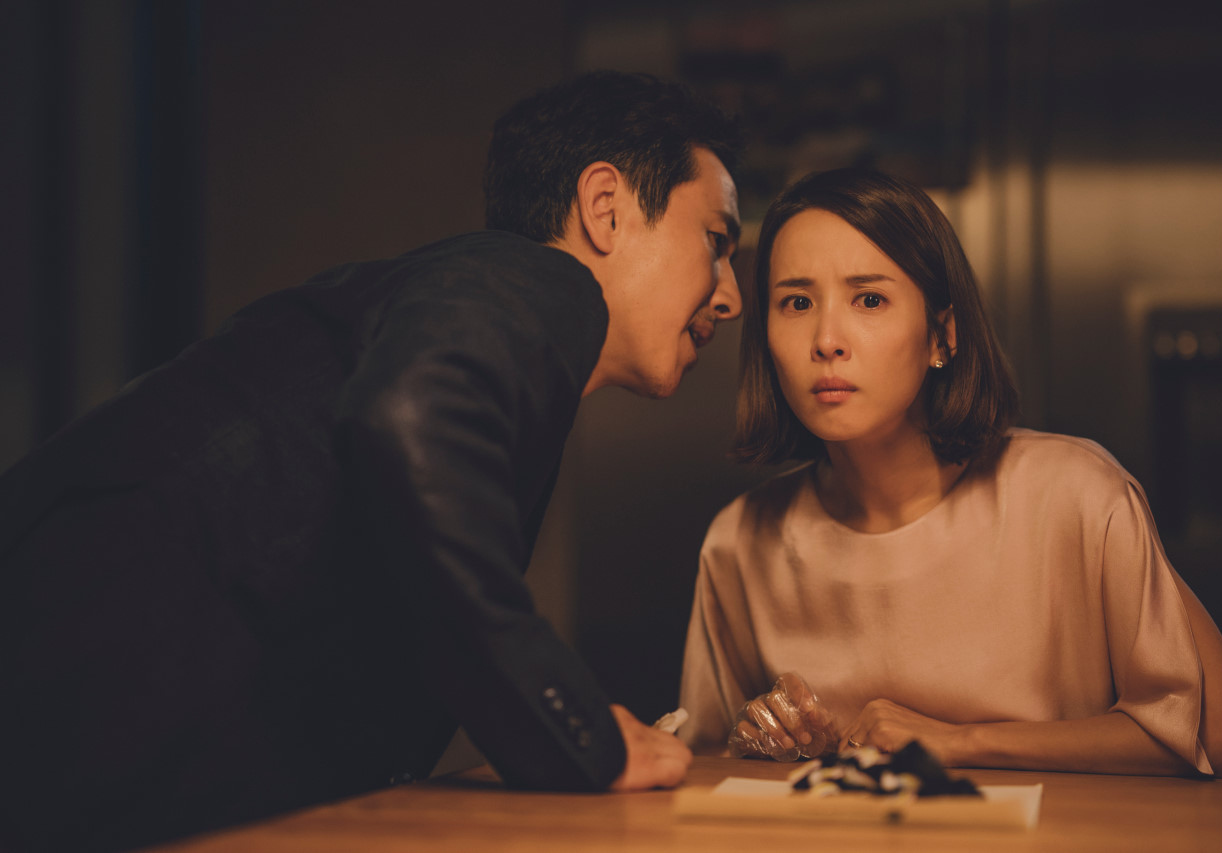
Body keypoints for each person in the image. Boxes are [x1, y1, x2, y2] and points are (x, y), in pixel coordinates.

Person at [0, 70, 744, 852]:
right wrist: (577, 730)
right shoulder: (535, 282)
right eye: (716, 242)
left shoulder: (485, 308)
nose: (729, 295)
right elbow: (406, 417)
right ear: (606, 207)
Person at [678, 167, 1222, 778]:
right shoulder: (740, 542)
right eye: (797, 303)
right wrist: (772, 748)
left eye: (869, 299)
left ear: (942, 334)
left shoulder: (1075, 495)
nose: (826, 340)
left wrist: (960, 743)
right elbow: (700, 767)